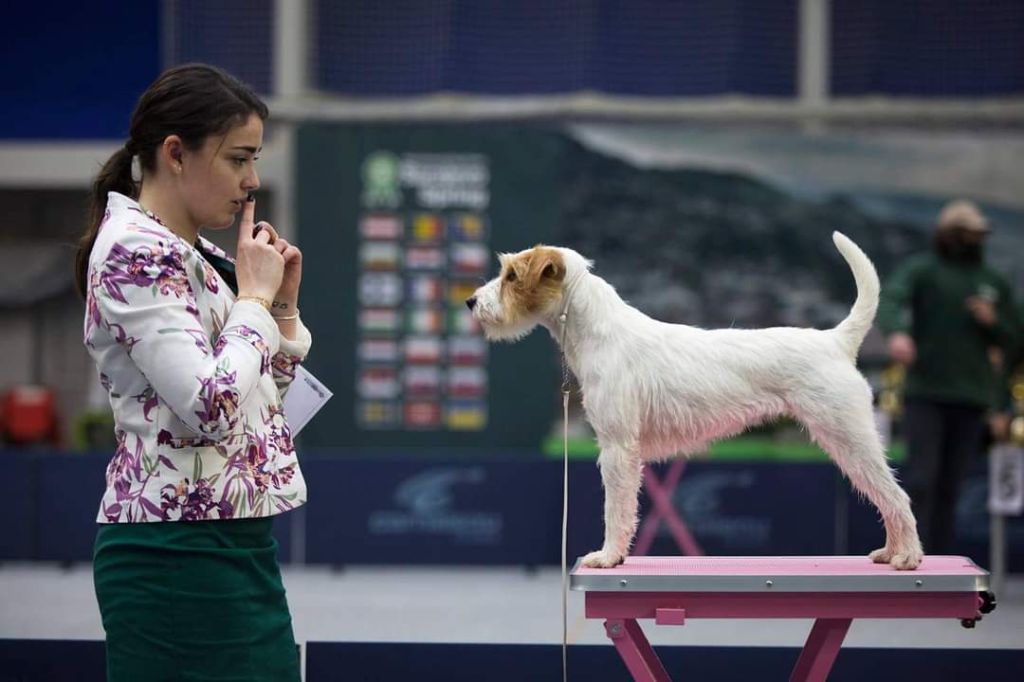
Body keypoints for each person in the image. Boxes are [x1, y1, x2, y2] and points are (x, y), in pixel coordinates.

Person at [74, 64, 311, 682]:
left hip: (228, 539)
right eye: (238, 159)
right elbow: (210, 406)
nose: (253, 181)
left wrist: (278, 307)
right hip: (173, 550)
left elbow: (258, 398)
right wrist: (254, 304)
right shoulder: (133, 250)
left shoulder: (198, 255)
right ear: (175, 153)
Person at [878, 199, 1020, 555]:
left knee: (950, 487)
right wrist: (896, 332)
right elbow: (892, 298)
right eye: (964, 234)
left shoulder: (991, 281)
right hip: (925, 392)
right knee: (922, 479)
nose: (971, 241)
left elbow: (1016, 337)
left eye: (976, 235)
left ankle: (936, 558)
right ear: (948, 235)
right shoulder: (924, 270)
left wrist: (993, 322)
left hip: (972, 396)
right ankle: (908, 545)